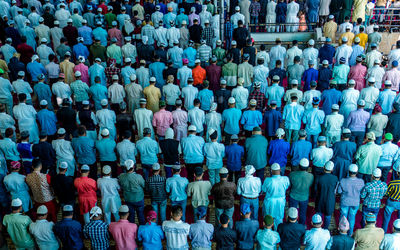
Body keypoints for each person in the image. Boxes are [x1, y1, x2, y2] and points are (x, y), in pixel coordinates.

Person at [337, 164, 364, 235]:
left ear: (348, 171)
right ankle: (350, 233)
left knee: (343, 218)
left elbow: (339, 192)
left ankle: (342, 233)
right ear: (357, 172)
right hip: (355, 202)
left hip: (345, 201)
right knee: (352, 217)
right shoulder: (361, 181)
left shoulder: (343, 181)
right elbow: (362, 193)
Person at [289, 158, 313, 224]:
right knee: (302, 213)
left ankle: (292, 225)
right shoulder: (311, 176)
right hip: (304, 197)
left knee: (292, 213)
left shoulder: (292, 174)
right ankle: (301, 226)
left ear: (299, 166)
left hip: (293, 196)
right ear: (308, 167)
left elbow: (290, 185)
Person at [315, 161, 338, 229]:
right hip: (330, 199)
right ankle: (325, 229)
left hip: (320, 198)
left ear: (324, 167)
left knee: (318, 214)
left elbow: (315, 189)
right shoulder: (335, 178)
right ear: (332, 170)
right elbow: (335, 190)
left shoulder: (319, 178)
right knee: (328, 216)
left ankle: (317, 228)